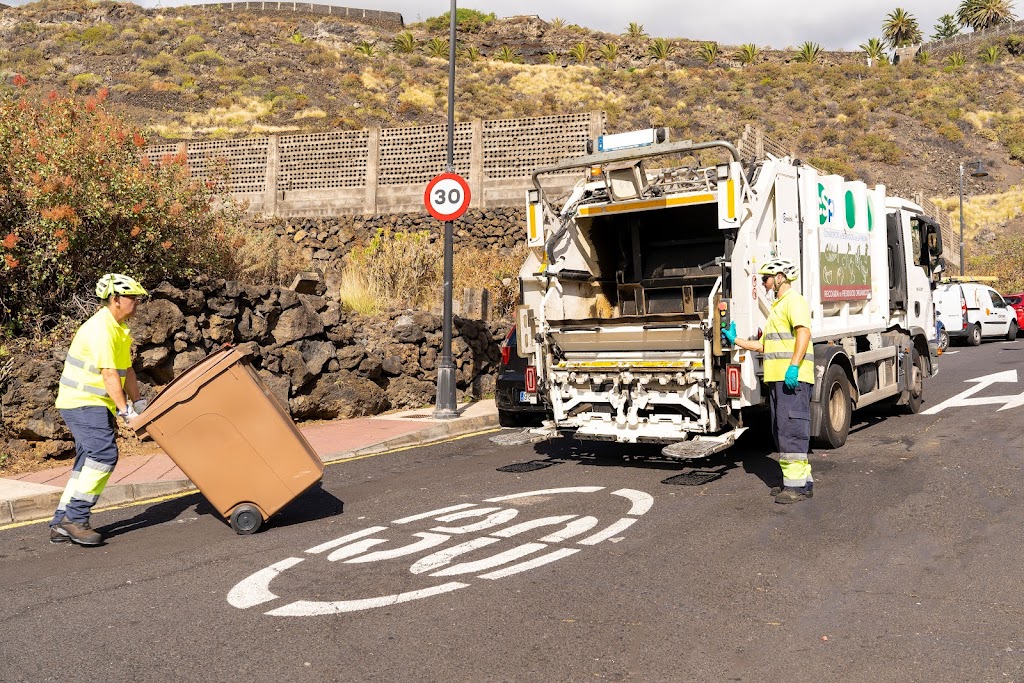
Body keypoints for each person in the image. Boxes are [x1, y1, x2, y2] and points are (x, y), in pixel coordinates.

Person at [49, 274, 149, 545]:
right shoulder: (100, 329)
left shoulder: (118, 328)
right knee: (104, 455)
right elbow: (109, 375)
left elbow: (126, 370)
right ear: (115, 299)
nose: (136, 302)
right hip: (82, 402)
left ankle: (62, 522)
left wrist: (138, 402)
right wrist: (125, 411)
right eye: (132, 297)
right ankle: (76, 518)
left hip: (93, 403)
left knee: (87, 461)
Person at [722, 258, 815, 504]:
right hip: (779, 381)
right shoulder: (778, 307)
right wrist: (736, 340)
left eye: (766, 278)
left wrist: (793, 366)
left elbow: (803, 333)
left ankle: (795, 487)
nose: (763, 282)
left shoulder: (794, 301)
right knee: (781, 430)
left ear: (780, 277)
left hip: (791, 380)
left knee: (791, 431)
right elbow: (764, 346)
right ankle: (802, 482)